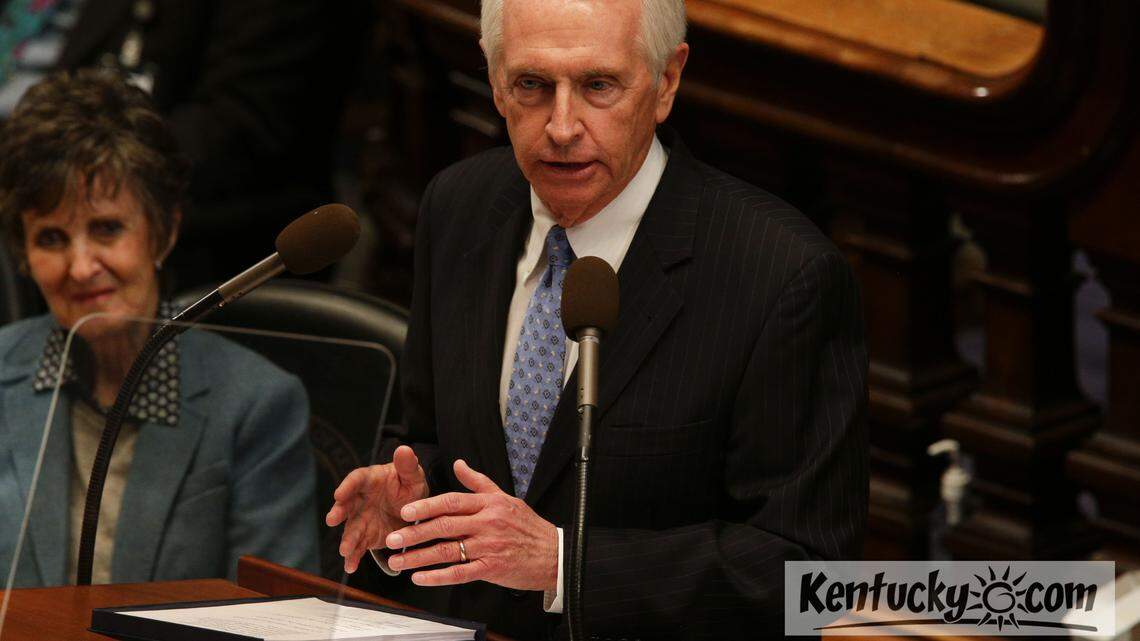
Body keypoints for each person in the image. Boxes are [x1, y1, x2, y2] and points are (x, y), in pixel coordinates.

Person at [327, 0, 868, 638]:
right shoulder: (460, 207)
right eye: (532, 85)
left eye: (598, 86)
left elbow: (809, 576)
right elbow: (436, 439)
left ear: (667, 82)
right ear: (495, 82)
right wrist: (413, 504)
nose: (561, 126)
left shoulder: (779, 274)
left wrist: (566, 566)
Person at [0, 69, 319, 587]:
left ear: (164, 231)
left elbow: (276, 619)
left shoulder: (256, 406)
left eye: (106, 229)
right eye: (52, 238)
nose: (79, 267)